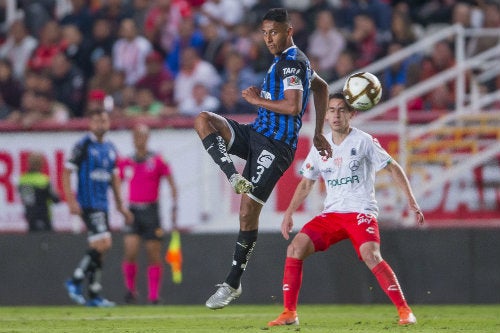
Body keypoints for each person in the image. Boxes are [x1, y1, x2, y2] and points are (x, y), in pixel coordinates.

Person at [194, 8, 332, 310]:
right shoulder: (287, 61)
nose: (269, 38)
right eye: (265, 32)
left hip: (277, 145)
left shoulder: (293, 62)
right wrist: (319, 131)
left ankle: (232, 282)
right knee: (204, 120)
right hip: (256, 134)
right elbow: (321, 87)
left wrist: (257, 100)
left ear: (289, 31)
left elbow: (294, 106)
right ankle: (233, 175)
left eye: (275, 32)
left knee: (246, 211)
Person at [267, 93, 425, 327]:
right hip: (331, 215)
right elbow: (307, 181)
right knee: (295, 247)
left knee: (371, 255)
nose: (336, 115)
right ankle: (289, 313)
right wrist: (289, 212)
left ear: (352, 114)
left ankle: (405, 311)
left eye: (341, 110)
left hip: (360, 211)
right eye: (331, 110)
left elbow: (393, 168)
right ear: (326, 116)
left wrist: (411, 200)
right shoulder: (321, 145)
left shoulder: (364, 141)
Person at [63, 108, 132, 307]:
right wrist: (71, 201)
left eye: (104, 120)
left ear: (108, 123)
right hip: (88, 202)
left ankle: (93, 293)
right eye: (96, 121)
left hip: (103, 204)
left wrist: (120, 206)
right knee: (105, 243)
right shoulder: (83, 145)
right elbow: (67, 173)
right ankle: (75, 280)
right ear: (90, 124)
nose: (101, 124)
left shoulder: (110, 148)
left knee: (99, 249)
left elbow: (114, 178)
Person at [119, 123, 178, 305]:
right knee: (130, 251)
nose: (140, 139)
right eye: (137, 136)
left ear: (148, 138)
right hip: (133, 211)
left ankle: (153, 295)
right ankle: (131, 291)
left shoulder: (158, 160)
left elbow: (171, 183)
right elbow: (116, 184)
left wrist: (174, 206)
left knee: (153, 253)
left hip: (151, 211)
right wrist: (120, 207)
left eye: (143, 136)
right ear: (133, 139)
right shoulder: (125, 161)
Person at [18, 152, 60, 232]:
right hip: (44, 216)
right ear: (41, 165)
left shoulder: (23, 180)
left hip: (30, 217)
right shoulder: (43, 180)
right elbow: (56, 199)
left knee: (32, 242)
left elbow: (27, 200)